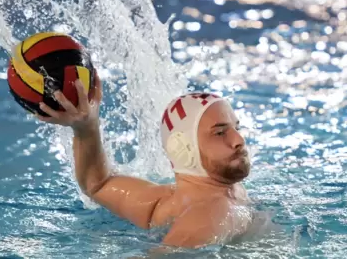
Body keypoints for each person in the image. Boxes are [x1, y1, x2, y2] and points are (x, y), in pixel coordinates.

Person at [35, 72, 252, 248]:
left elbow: (98, 184)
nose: (239, 140)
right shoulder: (210, 214)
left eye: (236, 127)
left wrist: (85, 128)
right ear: (183, 148)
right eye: (220, 133)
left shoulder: (162, 201)